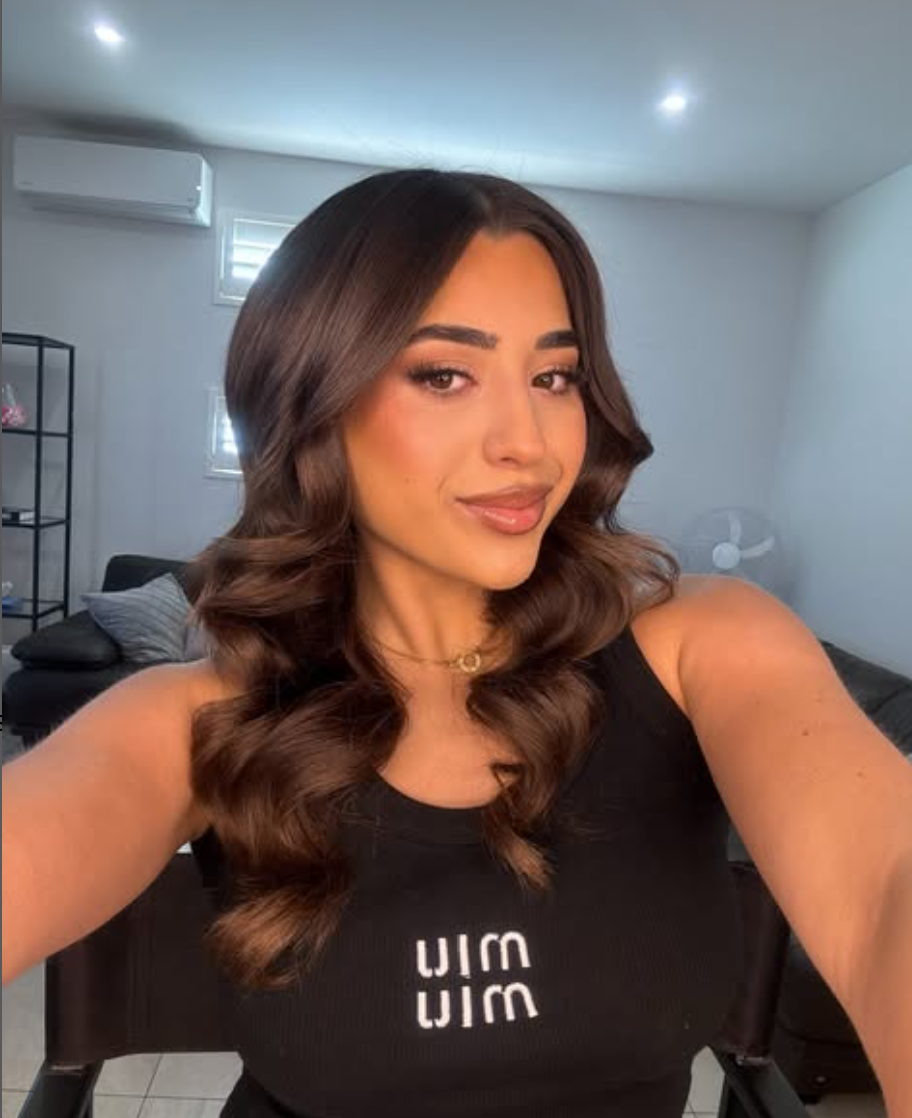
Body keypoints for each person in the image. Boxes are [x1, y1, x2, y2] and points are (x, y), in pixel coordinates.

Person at [4, 168, 908, 1118]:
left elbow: (888, 884)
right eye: (445, 374)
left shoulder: (708, 642)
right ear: (314, 401)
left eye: (555, 376)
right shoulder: (205, 714)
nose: (530, 441)